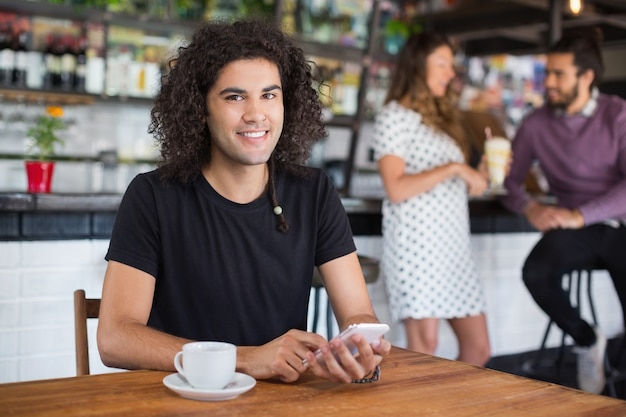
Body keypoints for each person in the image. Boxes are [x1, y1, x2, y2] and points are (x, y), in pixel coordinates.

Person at [96, 19, 390, 385]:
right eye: (235, 97)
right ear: (200, 109)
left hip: (282, 403)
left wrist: (360, 346)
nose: (256, 114)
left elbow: (357, 312)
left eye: (269, 95)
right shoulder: (153, 196)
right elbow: (115, 339)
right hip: (183, 400)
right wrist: (246, 359)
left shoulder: (312, 191)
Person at [501, 29, 626, 394]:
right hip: (575, 232)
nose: (549, 82)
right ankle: (587, 341)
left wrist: (579, 215)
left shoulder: (617, 115)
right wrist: (531, 207)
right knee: (536, 272)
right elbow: (508, 181)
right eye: (548, 73)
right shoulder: (536, 123)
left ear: (586, 77)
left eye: (558, 74)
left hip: (619, 225)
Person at [372, 32, 491, 366]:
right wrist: (455, 167)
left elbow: (460, 185)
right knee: (425, 349)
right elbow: (396, 188)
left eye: (451, 65)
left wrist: (480, 172)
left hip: (453, 250)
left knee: (479, 349)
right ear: (416, 65)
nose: (450, 73)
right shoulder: (393, 116)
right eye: (442, 63)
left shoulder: (443, 122)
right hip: (417, 248)